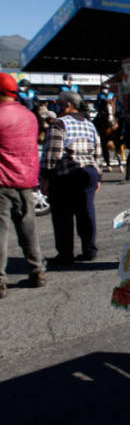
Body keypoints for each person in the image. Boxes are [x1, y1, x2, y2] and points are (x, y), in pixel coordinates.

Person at [40, 90, 102, 264]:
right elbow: (98, 152)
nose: (57, 108)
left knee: (62, 215)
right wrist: (98, 176)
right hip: (89, 173)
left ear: (68, 105)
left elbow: (52, 154)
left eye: (59, 104)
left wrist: (45, 177)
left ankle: (66, 254)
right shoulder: (90, 124)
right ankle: (90, 250)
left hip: (66, 174)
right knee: (86, 212)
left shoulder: (59, 124)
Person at [0, 73, 46, 298]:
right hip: (26, 181)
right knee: (28, 229)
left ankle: (0, 281)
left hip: (2, 182)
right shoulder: (29, 116)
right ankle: (37, 271)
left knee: (1, 232)